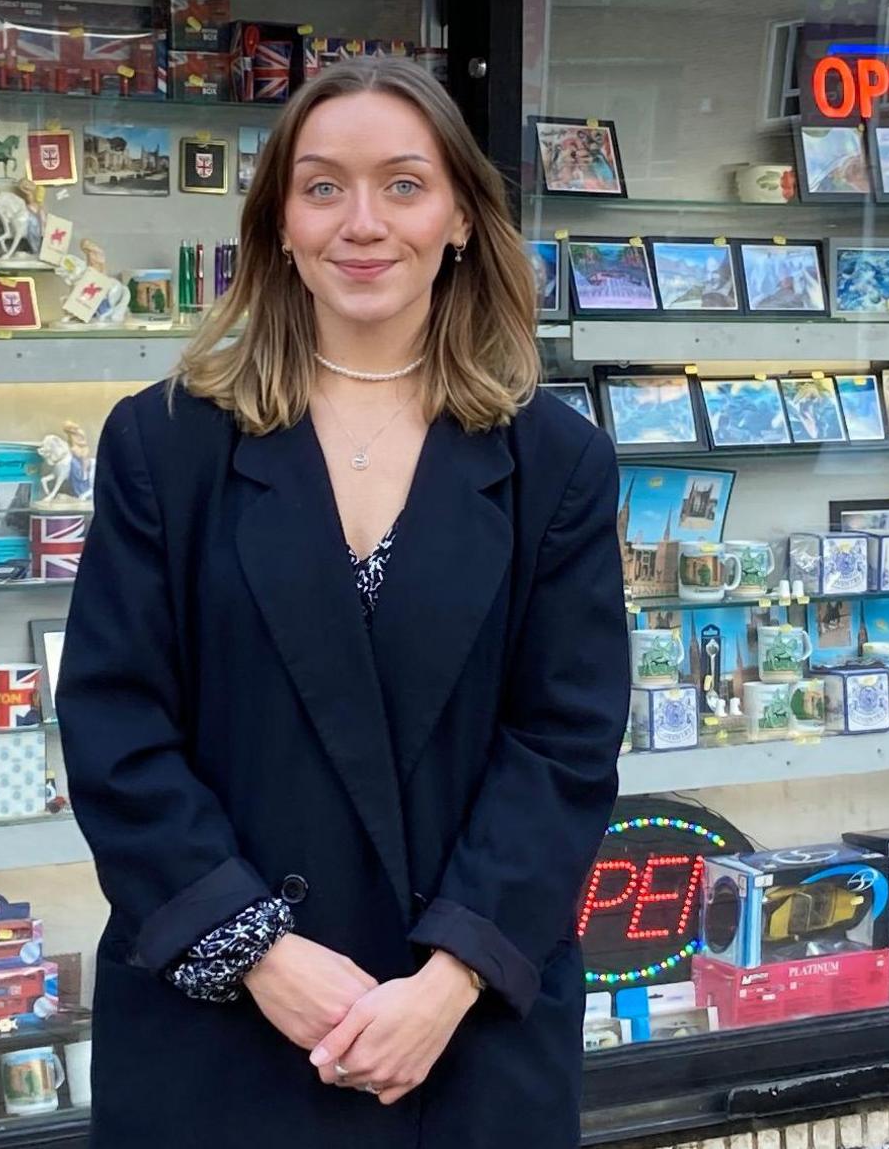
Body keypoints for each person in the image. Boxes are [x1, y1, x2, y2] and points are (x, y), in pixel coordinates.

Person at [56, 58, 629, 1147]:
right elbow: (115, 726)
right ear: (277, 222)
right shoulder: (166, 441)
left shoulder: (554, 461)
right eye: (322, 187)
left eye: (402, 185)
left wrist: (449, 975)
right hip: (218, 1032)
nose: (362, 224)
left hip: (460, 1036)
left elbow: (563, 743)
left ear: (459, 216)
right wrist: (253, 949)